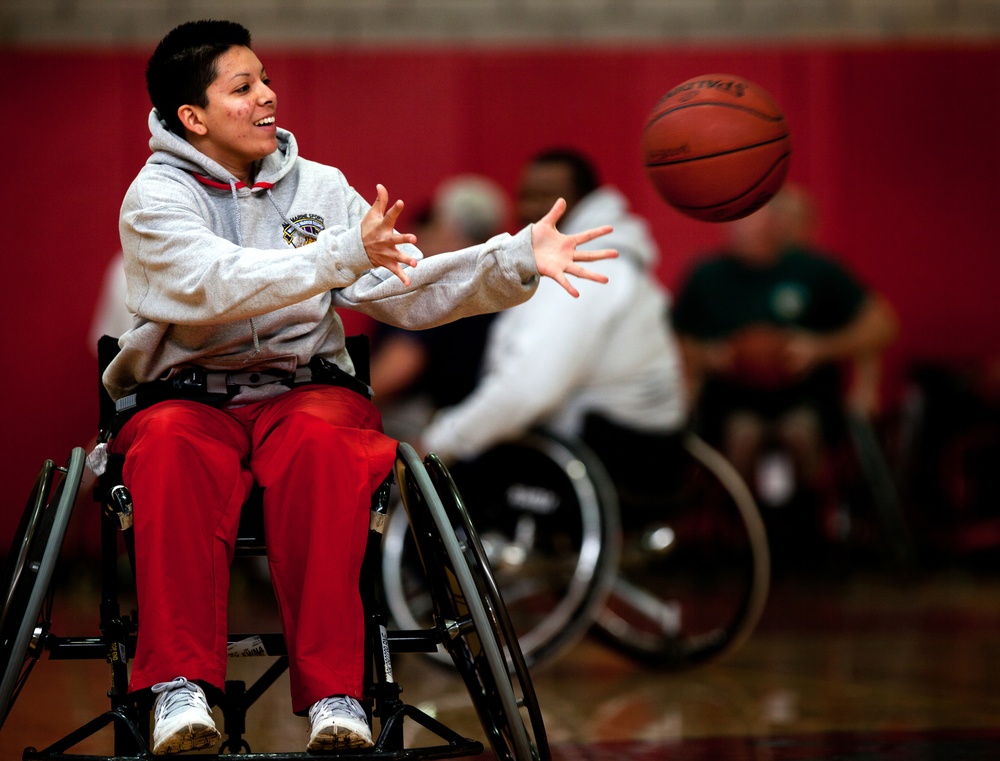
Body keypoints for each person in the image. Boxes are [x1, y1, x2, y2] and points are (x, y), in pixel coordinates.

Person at [99, 21, 615, 755]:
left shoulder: (321, 187)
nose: (268, 96)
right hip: (188, 396)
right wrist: (336, 256)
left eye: (266, 79)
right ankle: (181, 688)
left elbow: (405, 287)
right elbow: (211, 284)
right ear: (194, 117)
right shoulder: (154, 198)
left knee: (325, 444)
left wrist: (514, 258)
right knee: (172, 449)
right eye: (242, 87)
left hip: (302, 389)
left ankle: (337, 693)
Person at [420, 148, 686, 472]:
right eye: (524, 196)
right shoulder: (603, 258)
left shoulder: (586, 267)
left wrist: (439, 441)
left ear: (585, 201)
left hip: (620, 452)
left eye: (546, 196)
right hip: (639, 440)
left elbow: (527, 391)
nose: (529, 209)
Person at [670, 184, 898, 510]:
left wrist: (820, 348)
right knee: (743, 433)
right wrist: (710, 355)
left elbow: (883, 326)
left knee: (801, 431)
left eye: (751, 218)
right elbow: (672, 341)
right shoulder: (705, 275)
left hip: (804, 394)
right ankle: (741, 527)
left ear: (776, 224)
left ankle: (807, 522)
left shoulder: (815, 269)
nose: (741, 226)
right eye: (735, 219)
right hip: (732, 396)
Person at [368, 175, 510, 440]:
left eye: (434, 223)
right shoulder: (494, 284)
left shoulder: (438, 283)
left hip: (420, 422)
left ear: (451, 231)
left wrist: (350, 405)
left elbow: (401, 366)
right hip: (469, 425)